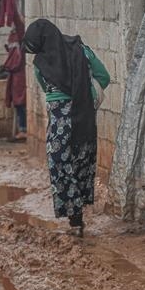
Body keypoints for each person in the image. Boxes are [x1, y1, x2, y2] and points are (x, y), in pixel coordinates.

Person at [23, 19, 109, 236]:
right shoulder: (82, 50)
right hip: (85, 120)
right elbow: (104, 77)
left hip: (60, 124)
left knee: (61, 166)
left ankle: (75, 218)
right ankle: (78, 217)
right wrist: (84, 92)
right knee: (82, 161)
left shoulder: (40, 65)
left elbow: (47, 89)